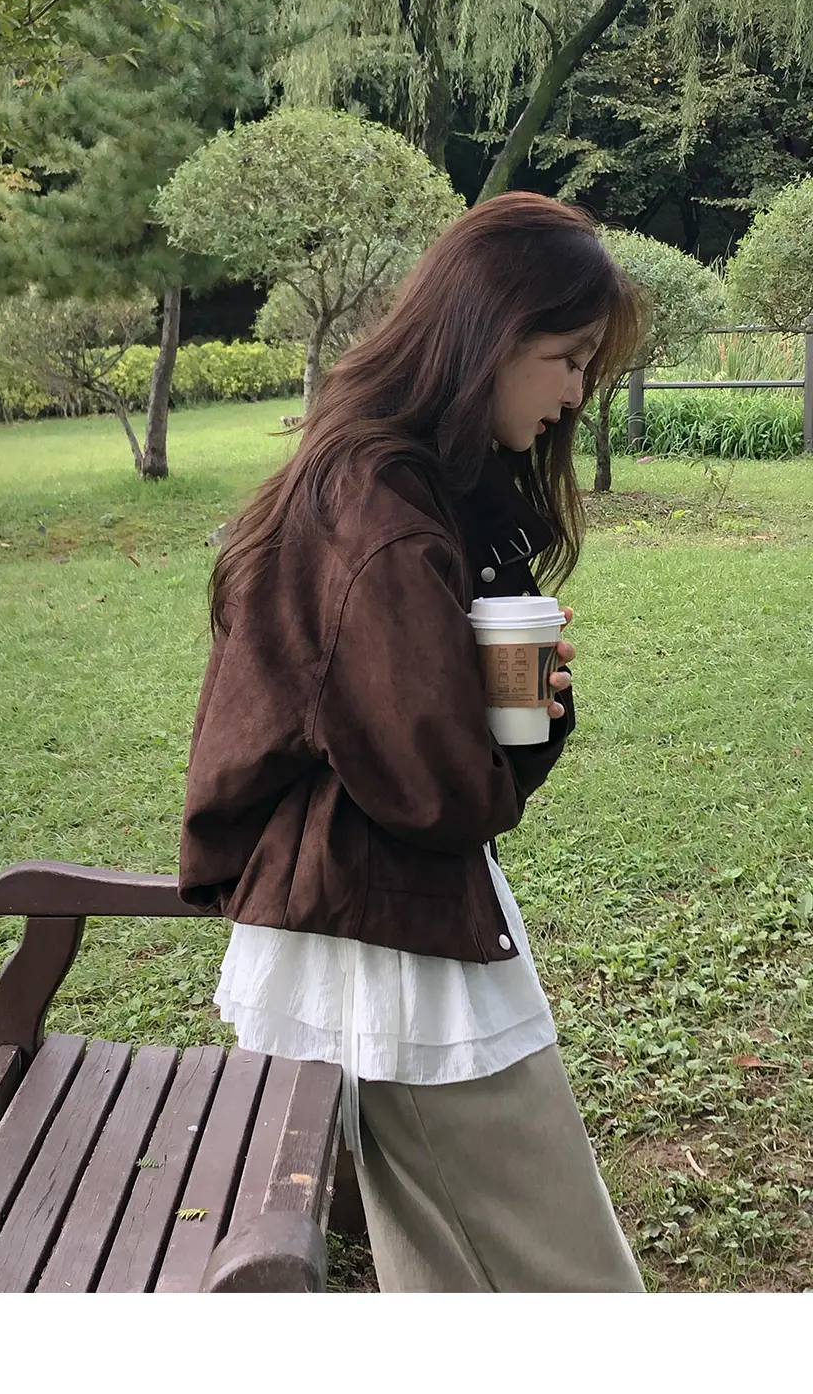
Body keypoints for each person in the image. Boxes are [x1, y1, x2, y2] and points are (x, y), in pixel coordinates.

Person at [178, 191, 648, 1293]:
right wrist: (523, 731)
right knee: (569, 1284)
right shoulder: (382, 512)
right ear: (490, 337)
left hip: (357, 920)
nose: (576, 394)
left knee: (447, 1275)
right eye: (567, 359)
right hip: (390, 947)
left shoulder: (380, 479)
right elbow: (439, 789)